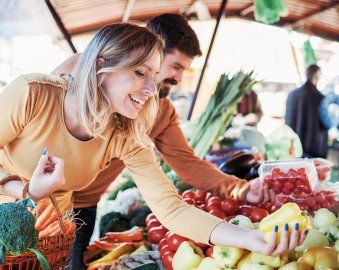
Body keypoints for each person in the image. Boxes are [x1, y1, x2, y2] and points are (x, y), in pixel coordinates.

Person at [45, 21, 304, 269]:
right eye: (175, 66)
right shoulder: (79, 69)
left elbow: (186, 165)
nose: (179, 78)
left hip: (82, 207)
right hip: (36, 198)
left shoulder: (157, 114)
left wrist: (241, 191)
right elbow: (39, 123)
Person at [285, 64, 328, 158]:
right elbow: (326, 124)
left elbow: (287, 122)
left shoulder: (292, 95)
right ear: (317, 77)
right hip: (314, 151)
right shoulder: (321, 98)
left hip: (294, 148)